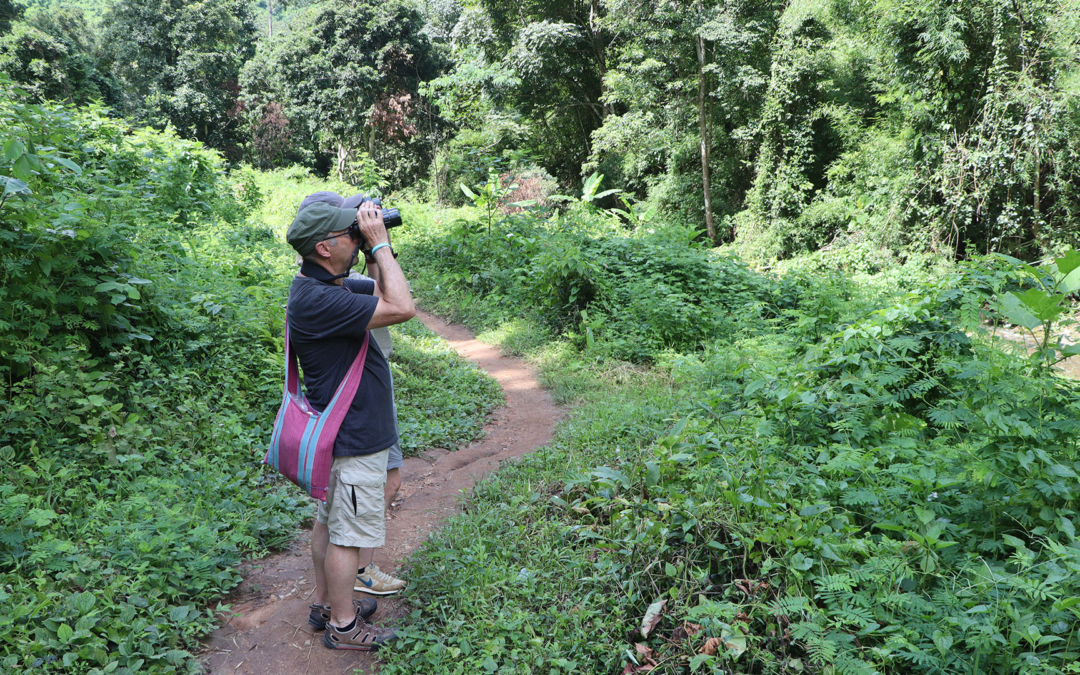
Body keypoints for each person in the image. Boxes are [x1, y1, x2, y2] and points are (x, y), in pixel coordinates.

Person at [285, 198, 414, 651]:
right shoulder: (321, 298)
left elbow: (379, 296)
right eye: (350, 233)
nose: (359, 234)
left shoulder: (323, 285)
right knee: (347, 536)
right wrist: (380, 245)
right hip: (355, 436)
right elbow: (401, 306)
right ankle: (344, 626)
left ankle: (326, 605)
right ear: (324, 247)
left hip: (344, 432)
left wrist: (373, 250)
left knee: (329, 525)